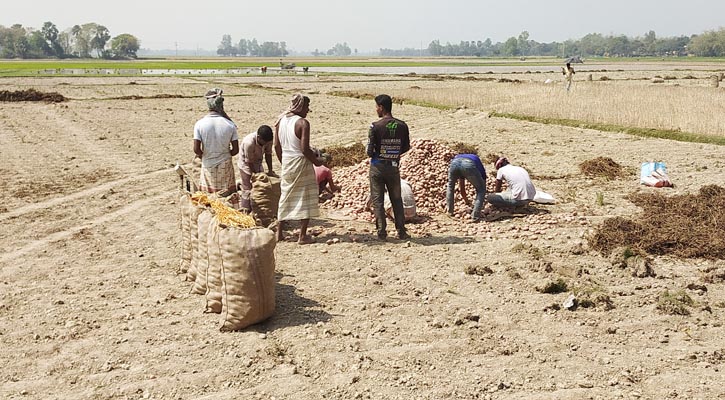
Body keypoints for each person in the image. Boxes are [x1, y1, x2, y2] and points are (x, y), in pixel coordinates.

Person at [274, 93, 322, 245]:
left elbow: (276, 146)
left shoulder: (280, 121)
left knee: (285, 196)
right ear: (300, 107)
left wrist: (283, 162)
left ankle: (279, 233)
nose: (308, 110)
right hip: (301, 162)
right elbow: (304, 149)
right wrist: (317, 161)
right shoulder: (302, 123)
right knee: (306, 195)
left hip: (288, 162)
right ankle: (302, 236)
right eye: (307, 106)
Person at [367, 94, 411, 240]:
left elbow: (369, 151)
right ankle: (402, 231)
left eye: (376, 107)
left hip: (377, 167)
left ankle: (382, 232)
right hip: (393, 168)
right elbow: (405, 147)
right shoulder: (402, 125)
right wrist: (393, 153)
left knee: (378, 200)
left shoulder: (375, 126)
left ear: (381, 107)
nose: (376, 110)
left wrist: (379, 153)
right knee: (396, 199)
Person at [193, 88, 239, 195]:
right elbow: (235, 150)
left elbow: (196, 149)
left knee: (209, 197)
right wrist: (226, 154)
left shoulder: (200, 124)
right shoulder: (230, 125)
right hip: (225, 165)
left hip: (208, 164)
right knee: (227, 196)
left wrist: (205, 155)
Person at [237, 125, 275, 212]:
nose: (265, 144)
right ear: (258, 137)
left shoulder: (268, 140)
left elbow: (268, 154)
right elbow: (249, 162)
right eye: (264, 142)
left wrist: (270, 170)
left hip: (258, 162)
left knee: (260, 187)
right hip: (245, 164)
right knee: (247, 188)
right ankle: (245, 210)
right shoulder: (249, 143)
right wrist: (255, 175)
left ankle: (258, 209)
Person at [446, 153, 487, 221]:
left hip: (454, 163)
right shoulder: (476, 158)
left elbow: (462, 188)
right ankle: (475, 216)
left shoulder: (458, 156)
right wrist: (483, 194)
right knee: (481, 190)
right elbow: (483, 177)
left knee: (450, 186)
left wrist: (467, 201)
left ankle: (450, 211)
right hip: (468, 164)